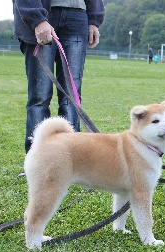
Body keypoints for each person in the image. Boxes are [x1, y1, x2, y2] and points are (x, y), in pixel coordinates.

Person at [13, 0, 105, 154]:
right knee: (39, 98)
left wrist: (94, 19)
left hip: (77, 16)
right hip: (43, 12)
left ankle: (72, 161)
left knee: (71, 100)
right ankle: (38, 160)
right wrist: (37, 18)